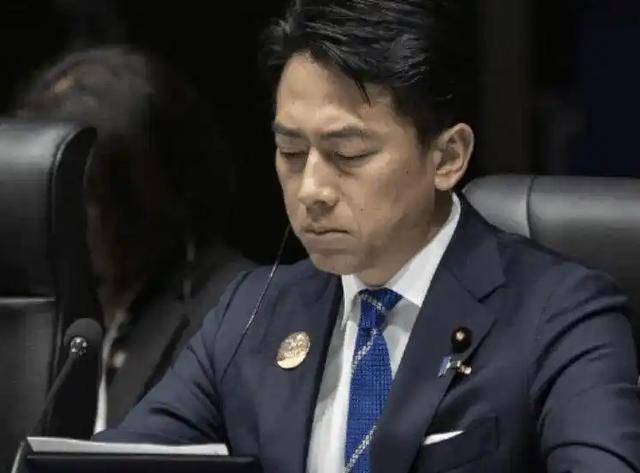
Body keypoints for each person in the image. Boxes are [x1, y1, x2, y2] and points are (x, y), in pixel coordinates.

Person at [94, 2, 640, 472]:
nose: (312, 189)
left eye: (348, 155)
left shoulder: (559, 314)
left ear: (447, 157)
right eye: (291, 152)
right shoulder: (250, 314)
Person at [15, 46, 256, 431]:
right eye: (53, 192)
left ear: (150, 191)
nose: (63, 218)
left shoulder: (240, 309)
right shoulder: (37, 310)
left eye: (87, 195)